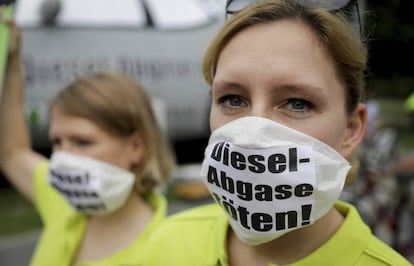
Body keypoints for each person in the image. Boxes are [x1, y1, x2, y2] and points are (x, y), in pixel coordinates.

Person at [142, 1, 411, 265]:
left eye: (297, 103)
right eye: (232, 100)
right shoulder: (167, 243)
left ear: (351, 131)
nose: (253, 135)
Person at [0, 14, 175, 266]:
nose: (62, 157)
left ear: (136, 147)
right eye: (57, 141)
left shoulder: (168, 250)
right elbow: (13, 152)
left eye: (82, 142)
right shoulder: (63, 202)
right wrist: (12, 58)